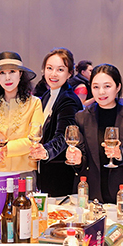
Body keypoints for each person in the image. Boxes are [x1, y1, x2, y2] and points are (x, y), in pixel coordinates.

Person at [67, 64, 123, 202]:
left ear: (118, 87)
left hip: (122, 193)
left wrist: (120, 154)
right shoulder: (81, 117)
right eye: (96, 87)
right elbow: (83, 159)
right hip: (90, 193)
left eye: (107, 86)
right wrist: (77, 159)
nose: (101, 92)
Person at [0, 51, 44, 198]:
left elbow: (34, 139)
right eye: (2, 73)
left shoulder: (35, 103)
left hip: (24, 170)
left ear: (20, 74)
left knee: (24, 211)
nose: (7, 78)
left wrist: (2, 144)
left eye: (12, 71)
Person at [29, 49, 81, 197]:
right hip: (45, 170)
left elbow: (64, 136)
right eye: (49, 68)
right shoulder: (47, 95)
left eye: (60, 70)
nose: (53, 74)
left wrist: (45, 151)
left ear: (69, 73)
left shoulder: (68, 99)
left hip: (60, 173)